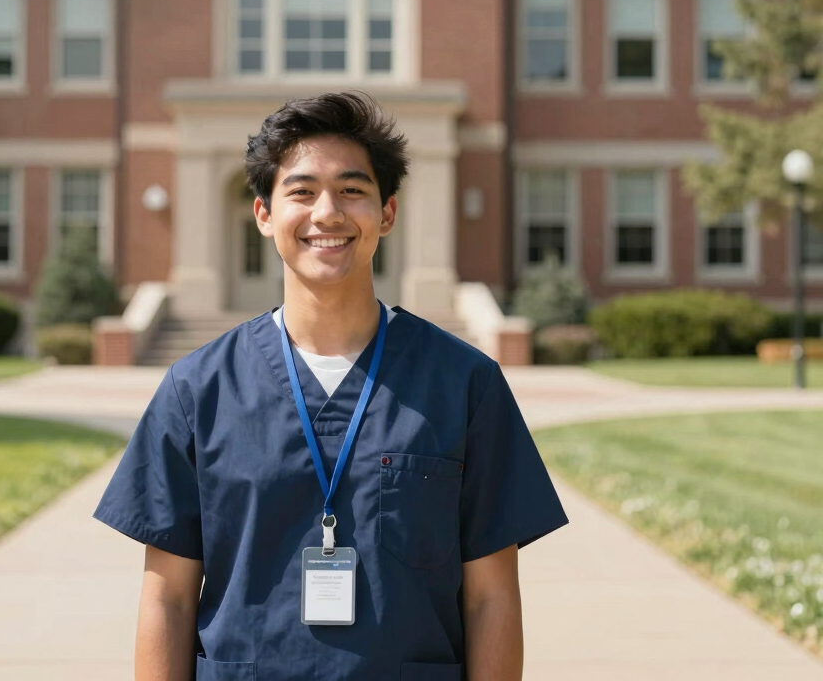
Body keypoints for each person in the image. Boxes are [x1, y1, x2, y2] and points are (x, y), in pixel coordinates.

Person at [94, 91, 568, 681]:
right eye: (300, 191)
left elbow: (490, 597)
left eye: (352, 190)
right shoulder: (197, 389)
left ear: (386, 213)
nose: (327, 213)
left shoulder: (465, 384)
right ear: (264, 214)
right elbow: (167, 597)